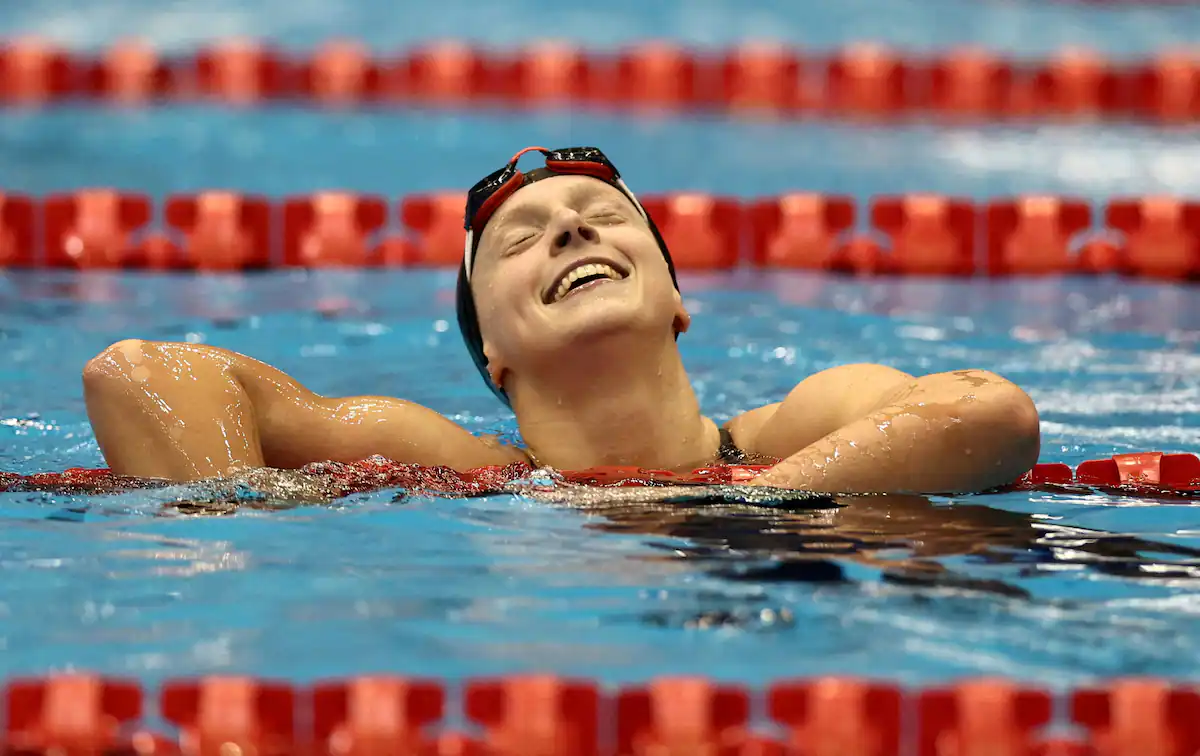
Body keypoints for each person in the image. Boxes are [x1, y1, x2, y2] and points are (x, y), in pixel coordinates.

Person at [82, 146, 1040, 493]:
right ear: (489, 350)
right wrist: (237, 509)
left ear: (677, 301)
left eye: (604, 218)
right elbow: (137, 371)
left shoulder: (800, 427)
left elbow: (990, 415)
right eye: (522, 240)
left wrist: (745, 503)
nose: (574, 225)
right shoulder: (455, 469)